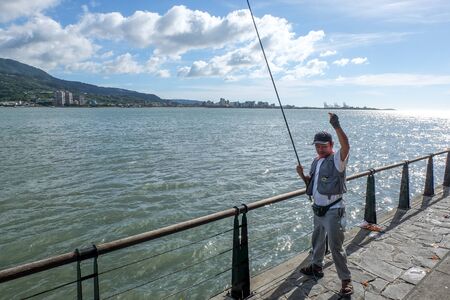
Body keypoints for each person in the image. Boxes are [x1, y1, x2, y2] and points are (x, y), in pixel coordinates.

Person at [296, 113, 352, 296]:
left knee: (336, 247)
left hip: (333, 210)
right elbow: (311, 184)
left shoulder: (337, 159)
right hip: (318, 210)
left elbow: (346, 146)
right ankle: (316, 267)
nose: (320, 149)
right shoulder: (316, 161)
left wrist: (336, 125)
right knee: (317, 242)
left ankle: (346, 281)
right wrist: (302, 175)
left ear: (331, 146)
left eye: (323, 146)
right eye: (317, 146)